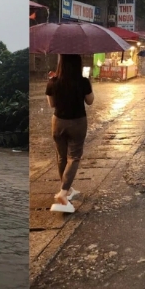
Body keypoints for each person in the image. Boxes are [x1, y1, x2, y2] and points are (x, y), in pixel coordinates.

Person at [45, 54, 94, 213]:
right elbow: (90, 101)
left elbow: (52, 104)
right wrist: (88, 84)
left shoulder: (53, 81)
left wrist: (52, 82)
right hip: (77, 122)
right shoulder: (83, 81)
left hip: (58, 122)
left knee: (62, 157)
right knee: (74, 157)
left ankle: (66, 189)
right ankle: (64, 192)